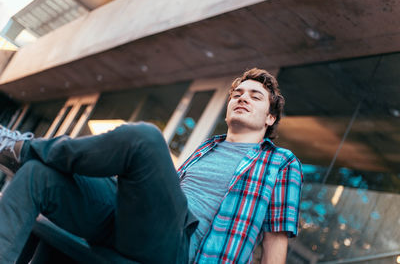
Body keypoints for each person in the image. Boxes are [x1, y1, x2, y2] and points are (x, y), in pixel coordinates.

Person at [0, 68, 303, 264]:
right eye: (237, 94)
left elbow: (275, 241)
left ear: (270, 118)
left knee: (144, 138)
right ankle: (26, 154)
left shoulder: (280, 162)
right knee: (38, 175)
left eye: (255, 96)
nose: (242, 98)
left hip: (181, 251)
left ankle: (23, 147)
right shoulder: (207, 147)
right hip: (138, 226)